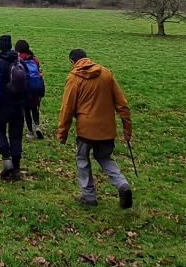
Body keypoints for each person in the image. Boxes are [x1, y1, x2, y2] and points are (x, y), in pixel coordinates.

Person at [56, 47, 133, 208]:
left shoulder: (74, 78)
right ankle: (122, 184)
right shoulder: (106, 74)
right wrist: (127, 128)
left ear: (72, 62)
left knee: (82, 159)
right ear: (87, 58)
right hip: (107, 129)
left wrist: (62, 133)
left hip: (86, 130)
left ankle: (89, 195)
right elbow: (122, 104)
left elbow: (67, 108)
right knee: (104, 158)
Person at [0, 34, 26, 180]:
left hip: (2, 105)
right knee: (16, 134)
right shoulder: (19, 62)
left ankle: (6, 160)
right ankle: (16, 168)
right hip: (18, 104)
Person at [14, 39, 46, 139]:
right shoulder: (34, 59)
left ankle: (30, 132)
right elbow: (40, 73)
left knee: (27, 110)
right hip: (36, 86)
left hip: (25, 88)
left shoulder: (18, 59)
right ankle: (37, 126)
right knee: (34, 108)